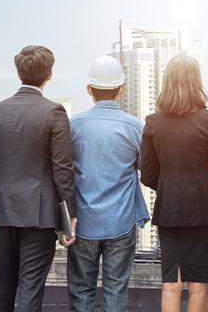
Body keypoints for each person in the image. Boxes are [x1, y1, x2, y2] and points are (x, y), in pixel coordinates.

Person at [0, 45, 77, 312]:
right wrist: (69, 214)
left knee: (3, 282)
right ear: (49, 74)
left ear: (18, 73)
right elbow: (62, 168)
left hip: (1, 209)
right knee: (30, 287)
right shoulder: (54, 112)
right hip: (39, 213)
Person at [140, 54, 208, 312]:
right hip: (204, 210)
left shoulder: (154, 123)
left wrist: (169, 186)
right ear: (196, 81)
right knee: (199, 285)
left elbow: (147, 174)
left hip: (169, 210)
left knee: (171, 284)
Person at [66, 56, 150, 312]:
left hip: (81, 223)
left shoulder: (73, 126)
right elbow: (146, 169)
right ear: (122, 88)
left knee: (81, 293)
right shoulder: (135, 128)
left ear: (89, 89)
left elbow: (63, 172)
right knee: (116, 292)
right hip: (121, 223)